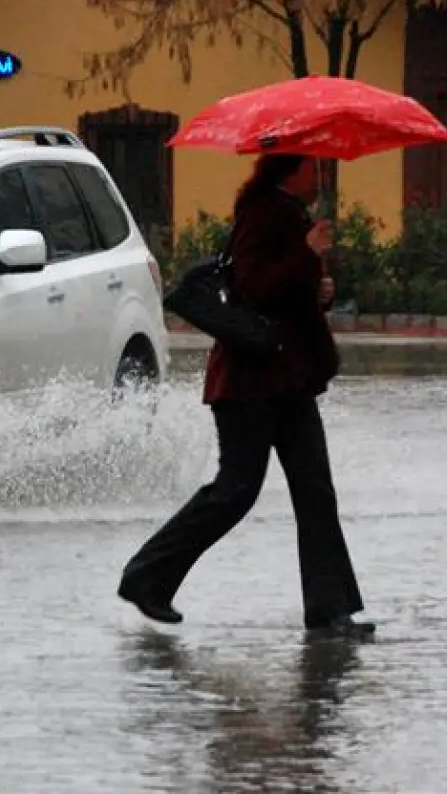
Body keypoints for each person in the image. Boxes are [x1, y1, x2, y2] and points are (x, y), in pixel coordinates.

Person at [117, 153, 374, 640]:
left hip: (287, 380)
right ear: (287, 170)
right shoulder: (262, 213)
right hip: (250, 383)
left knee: (315, 490)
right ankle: (146, 578)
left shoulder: (287, 214)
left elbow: (283, 292)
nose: (318, 176)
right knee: (235, 490)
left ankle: (329, 609)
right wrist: (306, 253)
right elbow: (253, 289)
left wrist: (313, 287)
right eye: (311, 167)